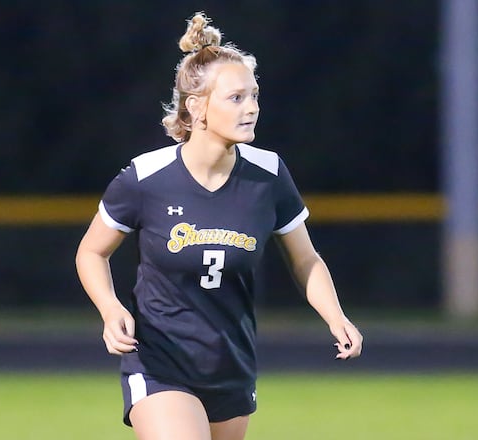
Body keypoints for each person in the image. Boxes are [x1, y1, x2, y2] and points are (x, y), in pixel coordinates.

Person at [75, 11, 363, 440]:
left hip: (230, 364)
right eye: (236, 98)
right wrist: (110, 308)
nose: (251, 108)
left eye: (255, 96)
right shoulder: (145, 177)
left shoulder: (268, 174)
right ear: (196, 107)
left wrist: (335, 315)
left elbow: (305, 259)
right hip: (159, 362)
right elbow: (91, 251)